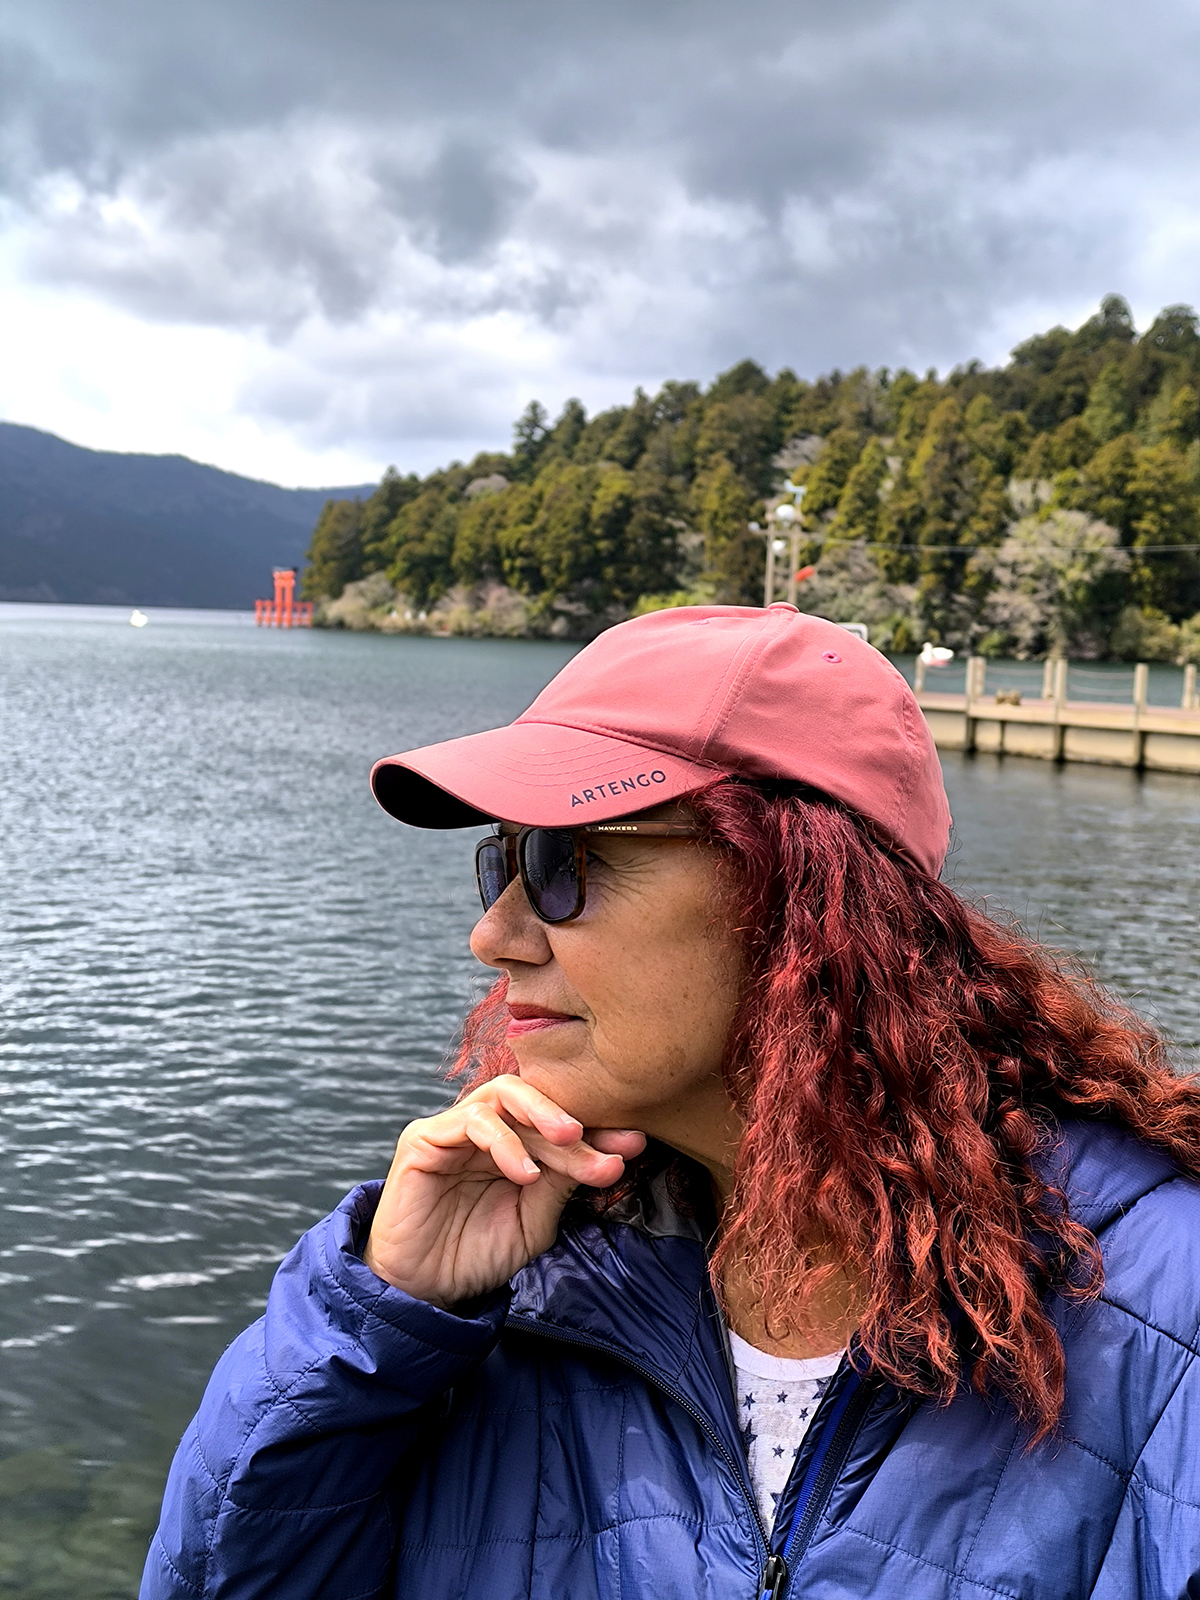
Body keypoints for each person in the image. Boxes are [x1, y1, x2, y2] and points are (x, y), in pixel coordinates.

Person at [141, 603, 1200, 1600]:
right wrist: (380, 1319)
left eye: (563, 862)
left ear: (802, 896)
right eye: (501, 863)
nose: (493, 934)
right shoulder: (510, 1289)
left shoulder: (1162, 1311)